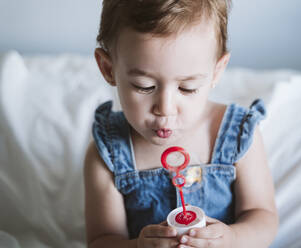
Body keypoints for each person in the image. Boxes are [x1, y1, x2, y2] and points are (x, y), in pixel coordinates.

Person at [84, 0, 278, 247]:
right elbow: (101, 241)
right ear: (108, 68)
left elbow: (264, 218)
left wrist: (233, 238)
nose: (165, 108)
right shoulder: (108, 154)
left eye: (187, 88)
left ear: (216, 72)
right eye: (144, 87)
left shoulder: (237, 136)